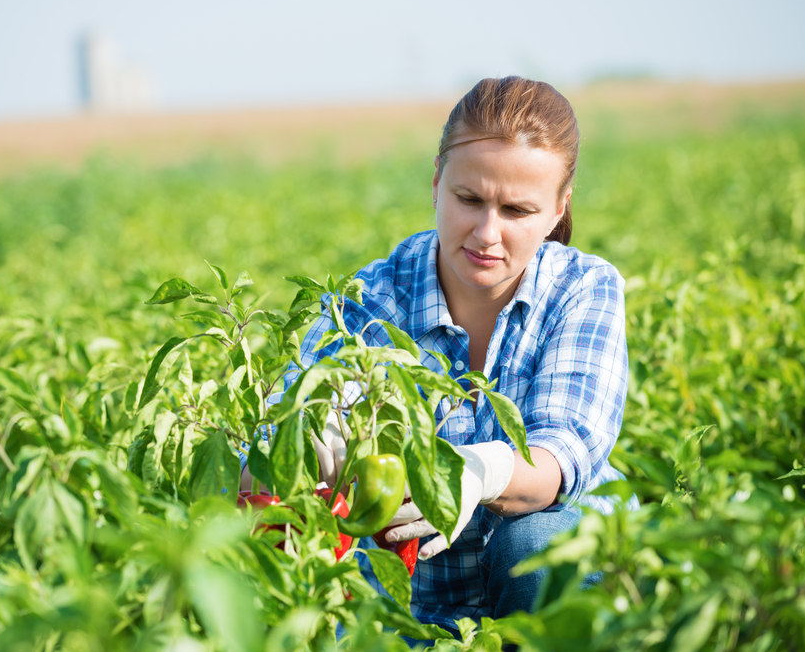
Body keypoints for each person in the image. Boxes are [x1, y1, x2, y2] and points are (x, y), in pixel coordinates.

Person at [253, 76, 631, 636]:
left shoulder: (582, 288)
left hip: (560, 580)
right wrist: (312, 440)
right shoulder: (375, 300)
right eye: (469, 199)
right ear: (436, 182)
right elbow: (283, 425)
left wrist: (474, 473)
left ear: (557, 211)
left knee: (537, 544)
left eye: (517, 210)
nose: (486, 232)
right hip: (414, 607)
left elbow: (563, 452)